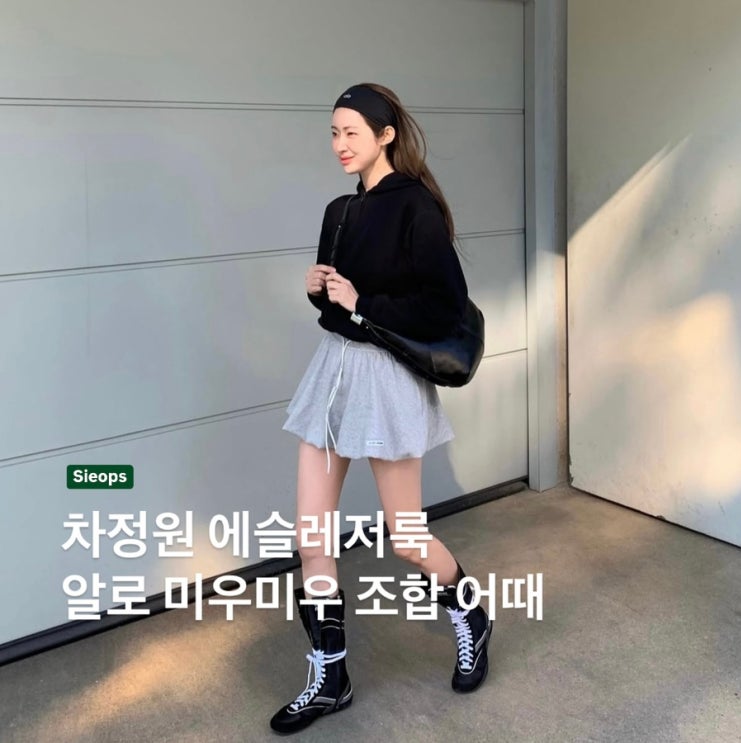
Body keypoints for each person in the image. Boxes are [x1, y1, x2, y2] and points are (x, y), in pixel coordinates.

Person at [270, 83, 492, 735]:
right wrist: (320, 290)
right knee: (311, 538)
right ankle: (329, 679)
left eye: (351, 132)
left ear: (385, 134)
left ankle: (472, 614)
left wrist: (362, 302)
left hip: (386, 378)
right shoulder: (339, 211)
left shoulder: (415, 206)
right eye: (333, 133)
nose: (339, 145)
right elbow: (336, 310)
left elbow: (442, 306)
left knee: (406, 538)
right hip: (333, 372)